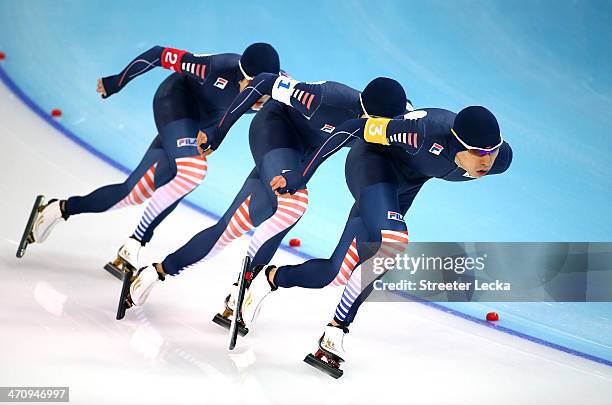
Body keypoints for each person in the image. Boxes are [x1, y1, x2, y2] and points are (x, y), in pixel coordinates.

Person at [239, 106, 513, 376]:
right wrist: (301, 173)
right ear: (455, 142)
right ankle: (336, 330)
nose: (486, 161)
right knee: (393, 241)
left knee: (336, 272)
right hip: (370, 165)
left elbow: (491, 155)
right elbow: (352, 128)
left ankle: (271, 278)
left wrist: (490, 151)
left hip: (402, 189)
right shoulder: (420, 133)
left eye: (493, 150)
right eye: (478, 152)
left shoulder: (499, 161)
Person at [125, 75, 412, 329]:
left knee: (227, 230)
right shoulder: (325, 99)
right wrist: (219, 130)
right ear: (369, 116)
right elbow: (263, 81)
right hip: (275, 130)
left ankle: (156, 271)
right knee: (293, 205)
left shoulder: (396, 118)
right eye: (382, 128)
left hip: (300, 154)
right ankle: (244, 284)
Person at [24, 43, 280, 274]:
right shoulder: (213, 68)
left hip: (202, 123)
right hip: (175, 102)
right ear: (241, 78)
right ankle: (137, 241)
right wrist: (116, 82)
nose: (259, 100)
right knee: (192, 171)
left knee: (134, 192)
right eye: (254, 91)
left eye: (265, 94)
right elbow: (158, 54)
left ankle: (58, 209)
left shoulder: (278, 86)